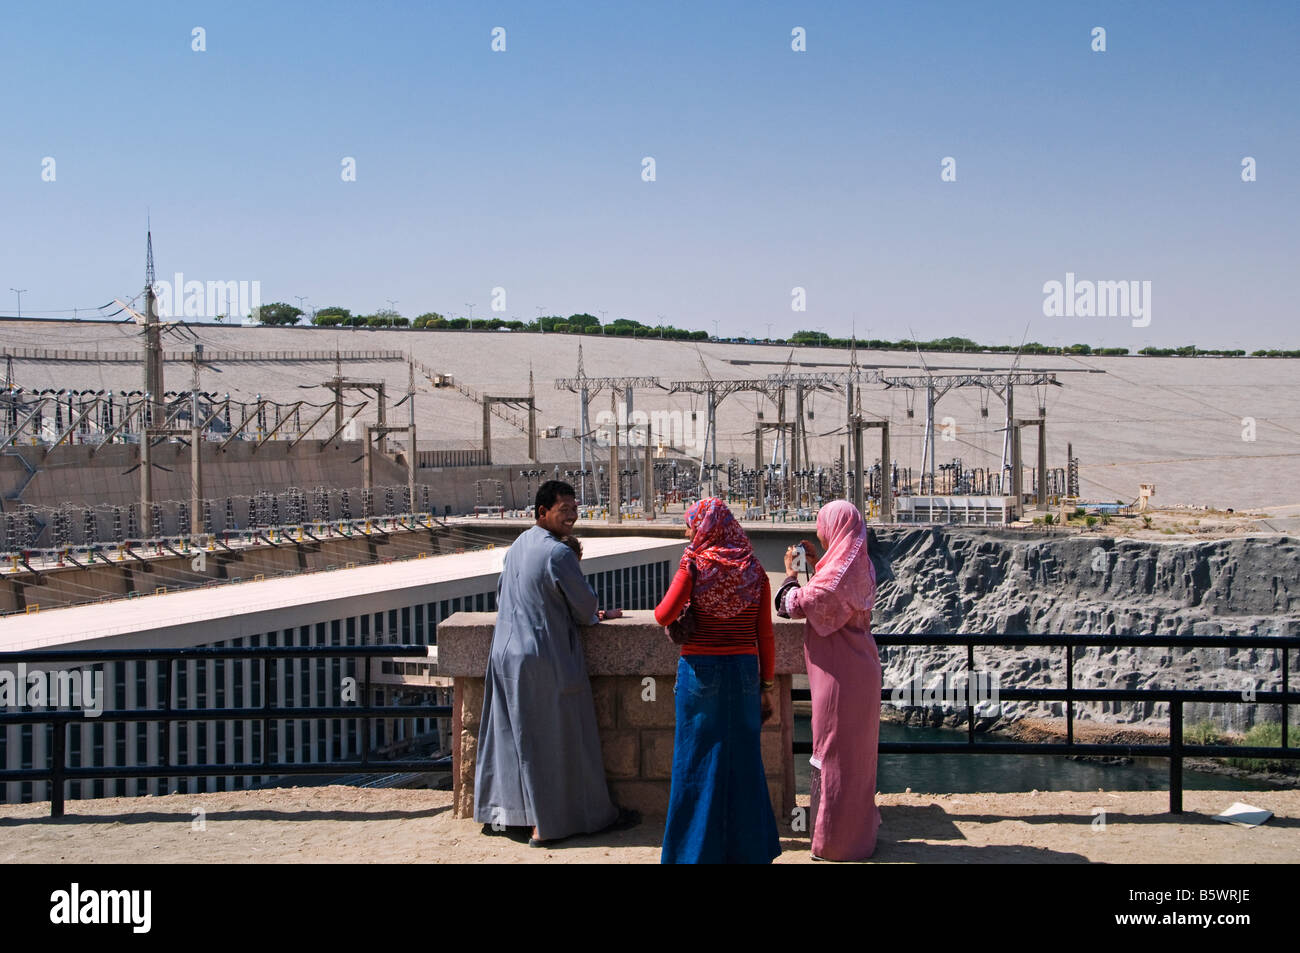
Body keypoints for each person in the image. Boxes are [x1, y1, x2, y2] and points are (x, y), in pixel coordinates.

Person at [474, 480, 633, 846]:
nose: (572, 516)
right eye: (564, 510)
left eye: (574, 509)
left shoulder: (516, 547)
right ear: (542, 512)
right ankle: (547, 826)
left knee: (510, 737)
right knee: (553, 740)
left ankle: (509, 816)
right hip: (543, 657)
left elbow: (503, 595)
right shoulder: (559, 554)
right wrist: (600, 614)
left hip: (505, 653)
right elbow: (586, 608)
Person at [653, 497, 781, 864]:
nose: (689, 532)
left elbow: (664, 615)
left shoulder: (693, 565)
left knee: (695, 762)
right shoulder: (754, 570)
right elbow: (765, 636)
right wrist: (767, 686)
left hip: (700, 672)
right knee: (743, 762)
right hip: (743, 671)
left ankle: (693, 854)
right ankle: (748, 852)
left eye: (691, 526)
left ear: (702, 527)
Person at [777, 499, 881, 861]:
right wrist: (818, 559)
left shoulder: (833, 581)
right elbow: (831, 589)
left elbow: (793, 605)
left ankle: (834, 843)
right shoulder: (859, 566)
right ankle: (857, 835)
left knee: (832, 754)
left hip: (838, 678)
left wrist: (790, 573)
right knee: (857, 758)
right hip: (863, 670)